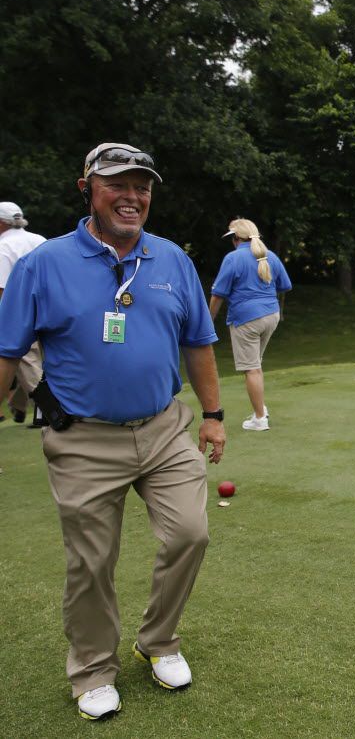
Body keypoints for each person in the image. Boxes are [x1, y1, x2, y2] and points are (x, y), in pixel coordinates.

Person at [0, 142, 226, 720]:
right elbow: (7, 355)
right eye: (117, 185)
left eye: (141, 187)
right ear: (88, 191)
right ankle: (94, 670)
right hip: (82, 440)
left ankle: (158, 641)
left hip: (163, 430)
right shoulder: (42, 264)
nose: (132, 197)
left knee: (190, 534)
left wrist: (215, 415)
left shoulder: (172, 259)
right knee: (92, 561)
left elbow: (198, 343)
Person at [209, 218, 292, 431]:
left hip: (246, 319)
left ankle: (259, 418)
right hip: (271, 315)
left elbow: (218, 294)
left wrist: (208, 322)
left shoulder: (233, 258)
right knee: (256, 364)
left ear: (236, 238)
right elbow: (285, 285)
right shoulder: (269, 255)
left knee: (252, 369)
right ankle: (260, 407)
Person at [0, 201, 46, 426]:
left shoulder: (3, 246)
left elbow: (2, 290)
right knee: (34, 364)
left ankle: (49, 409)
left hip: (20, 316)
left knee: (24, 362)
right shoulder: (40, 240)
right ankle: (18, 407)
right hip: (51, 310)